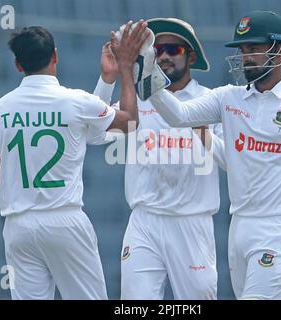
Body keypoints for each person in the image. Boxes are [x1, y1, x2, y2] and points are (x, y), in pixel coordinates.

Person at [116, 11, 281, 299]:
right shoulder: (228, 98)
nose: (246, 56)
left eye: (254, 48)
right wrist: (149, 75)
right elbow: (179, 115)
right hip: (240, 226)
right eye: (243, 49)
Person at [0, 23, 149, 299]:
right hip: (65, 220)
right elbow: (128, 122)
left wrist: (106, 79)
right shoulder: (75, 101)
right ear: (55, 56)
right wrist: (124, 68)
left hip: (18, 227)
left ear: (18, 65)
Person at [93, 18, 225, 299]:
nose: (164, 55)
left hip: (192, 222)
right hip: (145, 222)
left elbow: (230, 162)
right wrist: (108, 79)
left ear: (191, 56)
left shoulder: (210, 100)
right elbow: (93, 133)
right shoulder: (137, 101)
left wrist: (201, 130)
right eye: (159, 49)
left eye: (173, 50)